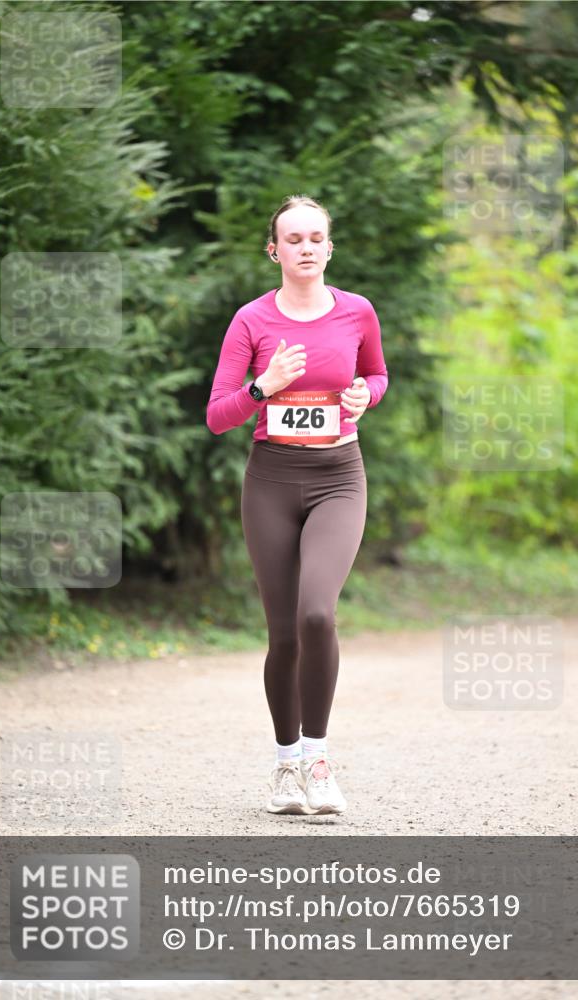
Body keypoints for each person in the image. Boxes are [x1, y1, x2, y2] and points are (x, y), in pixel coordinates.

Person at [206, 195, 388, 815]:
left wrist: (368, 395)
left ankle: (318, 758)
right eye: (294, 238)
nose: (306, 247)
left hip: (340, 476)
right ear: (275, 250)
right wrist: (265, 386)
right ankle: (286, 767)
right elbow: (217, 415)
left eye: (317, 237)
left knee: (317, 614)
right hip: (272, 483)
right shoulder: (251, 321)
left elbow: (378, 375)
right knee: (283, 634)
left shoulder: (358, 311)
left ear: (328, 248)